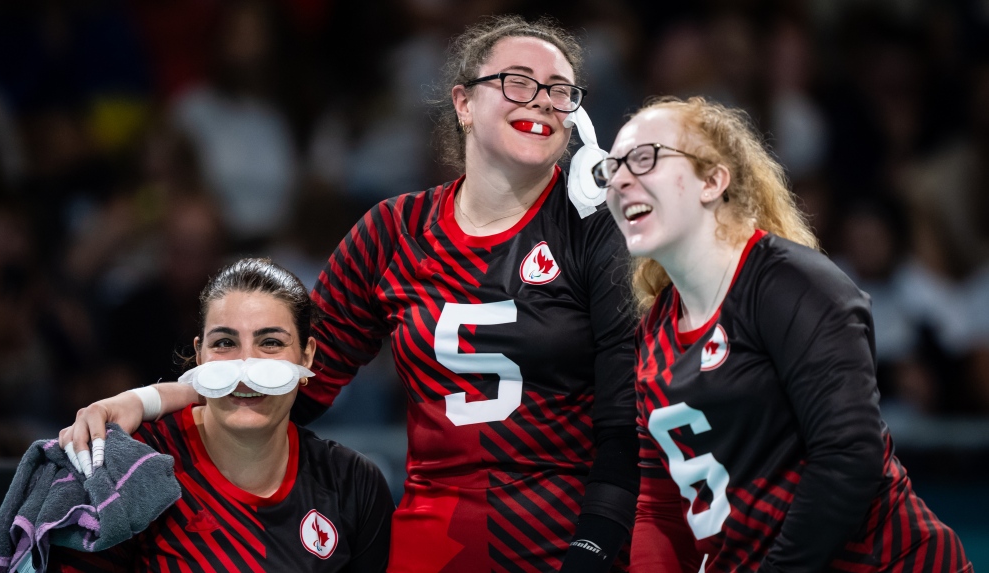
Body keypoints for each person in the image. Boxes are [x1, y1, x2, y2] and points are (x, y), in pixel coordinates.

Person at [60, 16, 639, 573]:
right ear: (463, 103)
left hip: (566, 539)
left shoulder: (597, 231)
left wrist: (588, 558)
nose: (541, 100)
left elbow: (624, 432)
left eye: (561, 91)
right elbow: (289, 380)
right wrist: (146, 402)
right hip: (430, 545)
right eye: (518, 82)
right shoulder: (393, 231)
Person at [594, 95, 972, 572]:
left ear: (712, 180)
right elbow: (661, 505)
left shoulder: (794, 286)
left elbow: (848, 457)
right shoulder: (653, 334)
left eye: (644, 158)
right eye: (611, 169)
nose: (621, 179)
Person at [51, 258, 394, 572]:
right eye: (226, 344)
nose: (245, 368)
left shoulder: (354, 484)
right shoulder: (128, 469)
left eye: (271, 343)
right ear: (199, 355)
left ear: (306, 356)